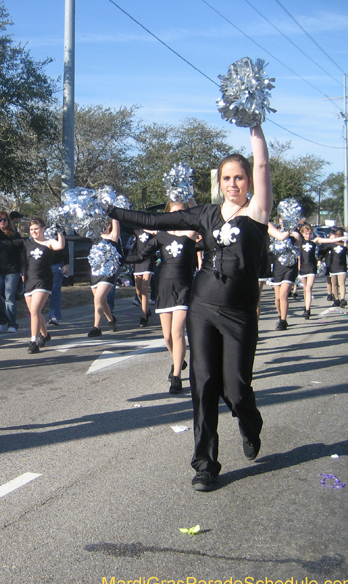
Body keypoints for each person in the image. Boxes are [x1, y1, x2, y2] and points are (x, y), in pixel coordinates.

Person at [107, 125, 273, 492]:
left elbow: (262, 164)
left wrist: (255, 128)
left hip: (240, 314)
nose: (234, 183)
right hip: (201, 308)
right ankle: (205, 464)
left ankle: (250, 424)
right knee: (204, 385)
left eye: (239, 177)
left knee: (237, 389)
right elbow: (155, 221)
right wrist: (112, 210)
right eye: (227, 178)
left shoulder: (259, 211)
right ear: (219, 182)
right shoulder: (205, 215)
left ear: (248, 181)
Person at [123, 201, 198, 394]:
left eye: (182, 212)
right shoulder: (161, 236)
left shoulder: (191, 232)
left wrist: (191, 201)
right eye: (174, 213)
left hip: (184, 287)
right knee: (167, 336)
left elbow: (199, 216)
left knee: (178, 332)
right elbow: (141, 256)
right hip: (164, 287)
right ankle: (178, 360)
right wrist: (120, 258)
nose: (179, 216)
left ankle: (176, 376)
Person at [0, 219, 66, 353]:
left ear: (43, 228)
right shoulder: (27, 242)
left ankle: (33, 341)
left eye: (36, 228)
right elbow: (11, 246)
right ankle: (45, 335)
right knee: (34, 312)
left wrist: (60, 231)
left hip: (44, 280)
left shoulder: (49, 242)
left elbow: (60, 246)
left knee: (35, 310)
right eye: (31, 229)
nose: (34, 232)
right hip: (30, 280)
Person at [0, 211, 23, 333]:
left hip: (12, 270)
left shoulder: (14, 235)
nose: (2, 222)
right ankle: (2, 320)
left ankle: (12, 323)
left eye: (5, 220)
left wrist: (22, 271)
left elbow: (20, 252)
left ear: (8, 221)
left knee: (9, 297)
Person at [87, 219, 121, 337]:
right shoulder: (95, 237)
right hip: (95, 273)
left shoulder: (113, 236)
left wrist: (112, 207)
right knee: (102, 300)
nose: (104, 226)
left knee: (98, 299)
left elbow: (115, 220)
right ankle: (111, 320)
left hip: (108, 273)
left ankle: (96, 327)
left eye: (106, 224)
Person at [267, 221, 301, 330]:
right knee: (277, 298)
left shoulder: (294, 234)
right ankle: (280, 316)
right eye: (282, 219)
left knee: (283, 295)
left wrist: (297, 236)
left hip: (290, 267)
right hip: (278, 267)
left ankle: (282, 321)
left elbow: (299, 249)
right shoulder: (274, 233)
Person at [316, 227, 348, 307]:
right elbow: (322, 252)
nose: (338, 236)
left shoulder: (345, 244)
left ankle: (343, 299)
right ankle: (336, 299)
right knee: (334, 284)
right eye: (337, 235)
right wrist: (319, 259)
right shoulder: (331, 244)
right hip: (333, 267)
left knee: (342, 283)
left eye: (340, 235)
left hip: (342, 266)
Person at [129, 228, 157, 327]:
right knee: (138, 291)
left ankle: (144, 317)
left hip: (148, 261)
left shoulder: (154, 232)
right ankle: (147, 310)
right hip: (138, 260)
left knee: (144, 289)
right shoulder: (137, 231)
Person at [296, 223, 319, 319]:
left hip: (312, 267)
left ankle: (308, 309)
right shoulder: (300, 243)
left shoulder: (314, 241)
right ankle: (306, 307)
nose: (308, 236)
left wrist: (341, 238)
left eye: (309, 233)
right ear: (302, 233)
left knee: (309, 288)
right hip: (303, 268)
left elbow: (328, 240)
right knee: (305, 289)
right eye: (306, 234)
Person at [47, 238, 70, 326]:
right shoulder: (36, 231)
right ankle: (36, 317)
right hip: (41, 265)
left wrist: (66, 264)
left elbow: (64, 246)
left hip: (56, 264)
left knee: (54, 290)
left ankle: (54, 316)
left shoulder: (57, 229)